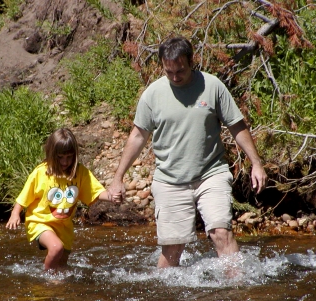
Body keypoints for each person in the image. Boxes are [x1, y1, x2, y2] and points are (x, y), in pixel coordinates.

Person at [108, 36, 267, 268]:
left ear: (191, 61)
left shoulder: (212, 87)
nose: (174, 77)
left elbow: (237, 126)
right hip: (170, 180)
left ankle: (238, 289)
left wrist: (256, 163)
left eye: (180, 71)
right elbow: (137, 136)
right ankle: (164, 298)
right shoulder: (152, 94)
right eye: (168, 71)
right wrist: (117, 178)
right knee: (173, 247)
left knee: (220, 232)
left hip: (211, 174)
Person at [6, 128, 113, 271]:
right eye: (60, 157)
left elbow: (96, 191)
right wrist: (15, 214)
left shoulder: (79, 173)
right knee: (56, 248)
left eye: (69, 157)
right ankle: (47, 279)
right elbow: (23, 197)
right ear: (51, 154)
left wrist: (112, 196)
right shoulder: (41, 172)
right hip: (39, 221)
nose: (65, 162)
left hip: (64, 227)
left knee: (62, 267)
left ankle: (57, 287)